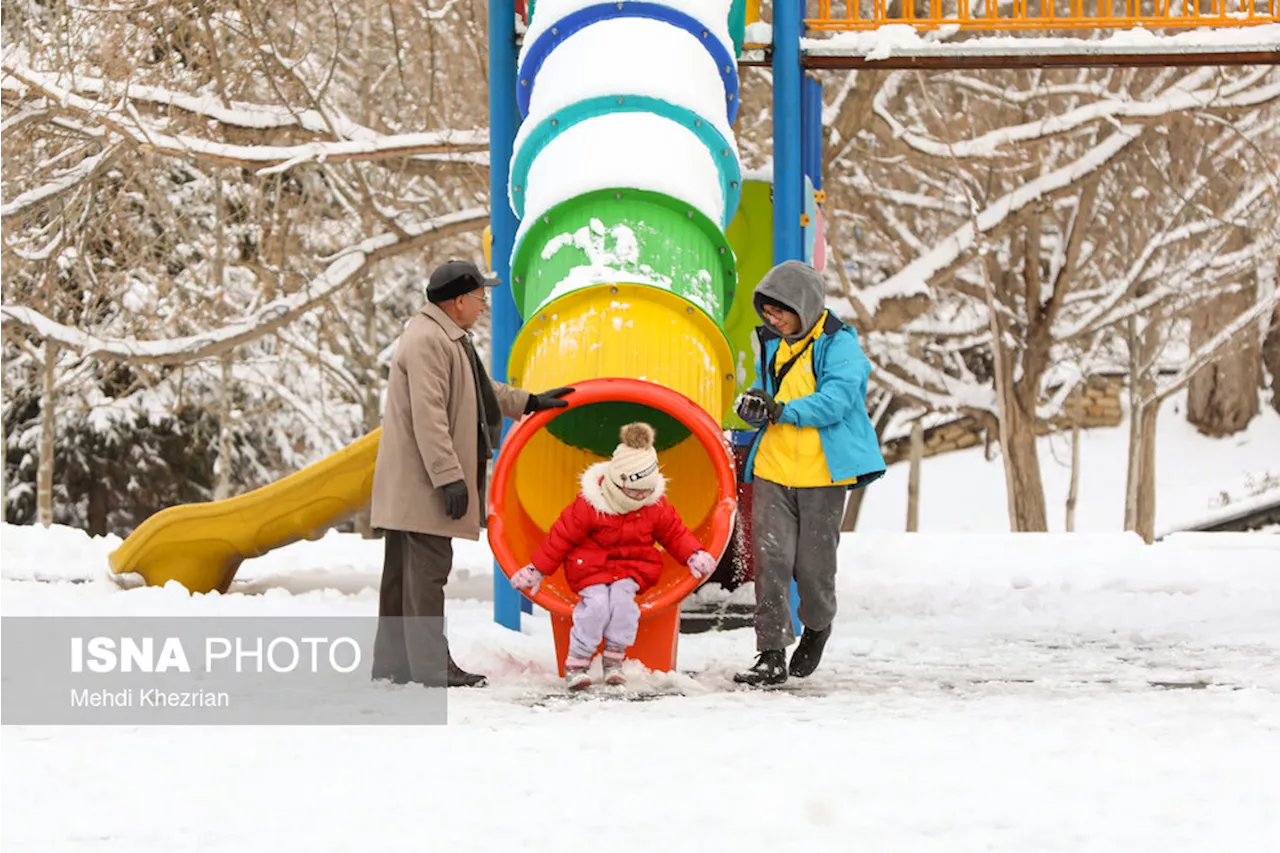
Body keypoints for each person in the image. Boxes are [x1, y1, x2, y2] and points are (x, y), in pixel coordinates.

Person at [370, 258, 574, 688]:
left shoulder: (444, 336)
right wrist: (448, 476)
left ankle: (394, 662)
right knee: (426, 572)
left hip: (413, 480)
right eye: (481, 296)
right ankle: (428, 666)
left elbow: (480, 392)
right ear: (458, 300)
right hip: (421, 481)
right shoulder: (430, 341)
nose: (484, 304)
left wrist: (531, 401)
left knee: (404, 574)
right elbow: (430, 416)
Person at [731, 259, 885, 687]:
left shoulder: (840, 347)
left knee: (814, 570)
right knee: (772, 563)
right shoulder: (769, 343)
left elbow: (836, 401)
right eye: (767, 311)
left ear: (805, 304)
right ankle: (771, 653)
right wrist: (751, 407)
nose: (772, 319)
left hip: (822, 474)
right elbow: (759, 394)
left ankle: (817, 626)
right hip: (773, 469)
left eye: (780, 310)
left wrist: (783, 410)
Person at [508, 422, 718, 690]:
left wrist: (693, 554)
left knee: (622, 604)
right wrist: (536, 570)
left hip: (632, 568)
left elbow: (674, 533)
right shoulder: (591, 504)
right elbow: (560, 537)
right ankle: (578, 661)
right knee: (596, 606)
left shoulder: (653, 505)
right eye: (635, 491)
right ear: (617, 483)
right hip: (590, 568)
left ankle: (614, 658)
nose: (642, 496)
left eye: (647, 490)